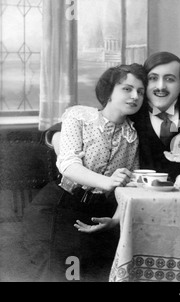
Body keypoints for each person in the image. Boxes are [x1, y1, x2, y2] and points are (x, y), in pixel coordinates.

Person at [22, 64, 147, 282]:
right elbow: (68, 165)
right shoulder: (79, 116)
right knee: (56, 274)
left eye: (140, 91)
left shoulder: (132, 136)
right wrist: (108, 182)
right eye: (127, 89)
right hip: (60, 206)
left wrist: (116, 221)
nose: (135, 96)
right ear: (109, 91)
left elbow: (130, 187)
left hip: (99, 214)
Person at [44, 52, 180, 182]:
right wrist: (58, 137)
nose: (161, 86)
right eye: (153, 78)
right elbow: (83, 122)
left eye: (170, 79)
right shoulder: (130, 111)